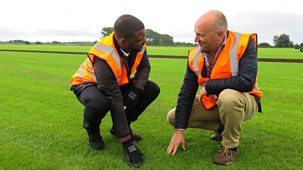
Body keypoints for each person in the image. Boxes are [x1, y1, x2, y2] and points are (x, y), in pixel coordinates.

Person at [166, 10, 262, 166]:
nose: (196, 39)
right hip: (214, 103)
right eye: (196, 34)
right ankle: (222, 129)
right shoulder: (195, 55)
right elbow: (186, 92)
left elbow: (246, 82)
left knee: (228, 97)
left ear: (220, 34)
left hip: (245, 101)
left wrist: (210, 86)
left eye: (201, 35)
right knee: (174, 117)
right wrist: (179, 131)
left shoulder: (243, 43)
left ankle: (229, 146)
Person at [70, 14, 160, 168]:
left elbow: (144, 67)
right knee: (100, 103)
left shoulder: (138, 44)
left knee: (151, 89)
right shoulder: (104, 56)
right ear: (124, 41)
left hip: (116, 82)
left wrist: (136, 91)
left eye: (143, 37)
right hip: (87, 83)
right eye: (140, 40)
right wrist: (127, 143)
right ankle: (92, 131)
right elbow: (115, 99)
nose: (144, 42)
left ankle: (119, 127)